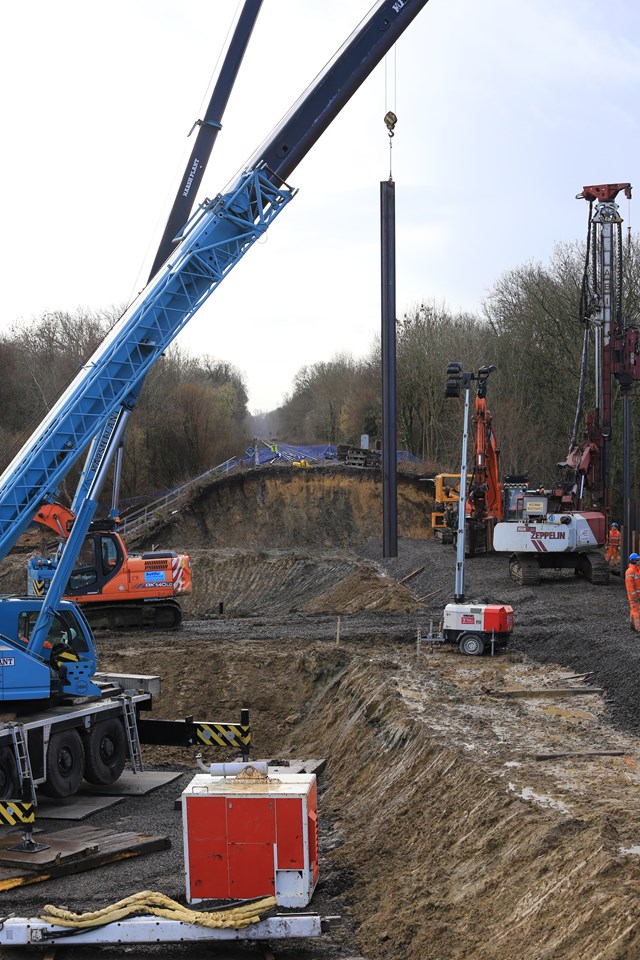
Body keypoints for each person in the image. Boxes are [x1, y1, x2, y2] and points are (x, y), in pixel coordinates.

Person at [625, 553, 640, 632]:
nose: (639, 561)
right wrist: (634, 597)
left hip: (637, 595)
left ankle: (632, 625)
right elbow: (630, 587)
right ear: (633, 561)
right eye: (637, 560)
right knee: (636, 611)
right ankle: (638, 628)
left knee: (634, 610)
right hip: (634, 596)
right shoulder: (630, 571)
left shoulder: (637, 570)